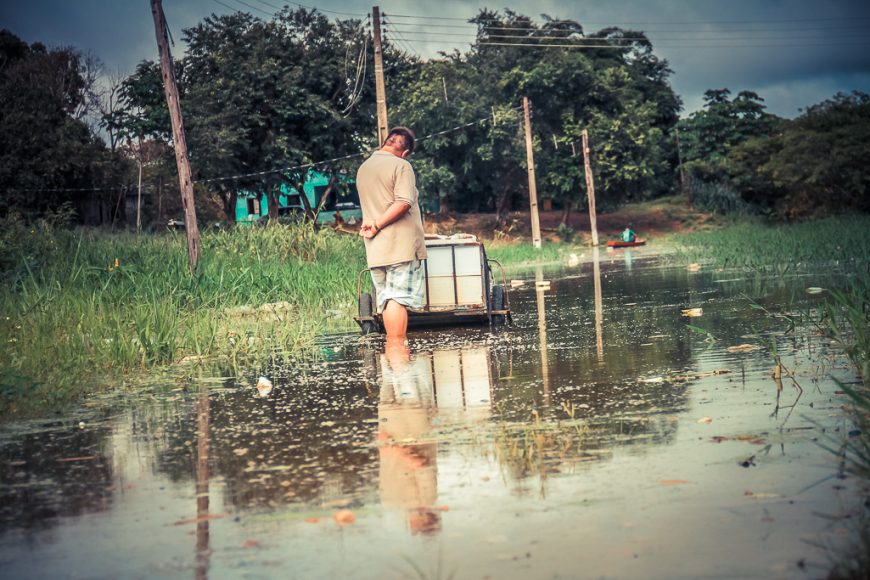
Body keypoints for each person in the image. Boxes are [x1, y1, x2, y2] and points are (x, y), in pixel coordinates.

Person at [357, 127, 427, 340]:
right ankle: (397, 350)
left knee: (386, 299)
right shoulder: (401, 165)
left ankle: (392, 360)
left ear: (385, 142)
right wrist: (378, 224)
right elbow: (404, 202)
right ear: (405, 152)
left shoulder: (364, 168)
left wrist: (374, 228)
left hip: (376, 247)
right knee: (398, 299)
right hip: (400, 246)